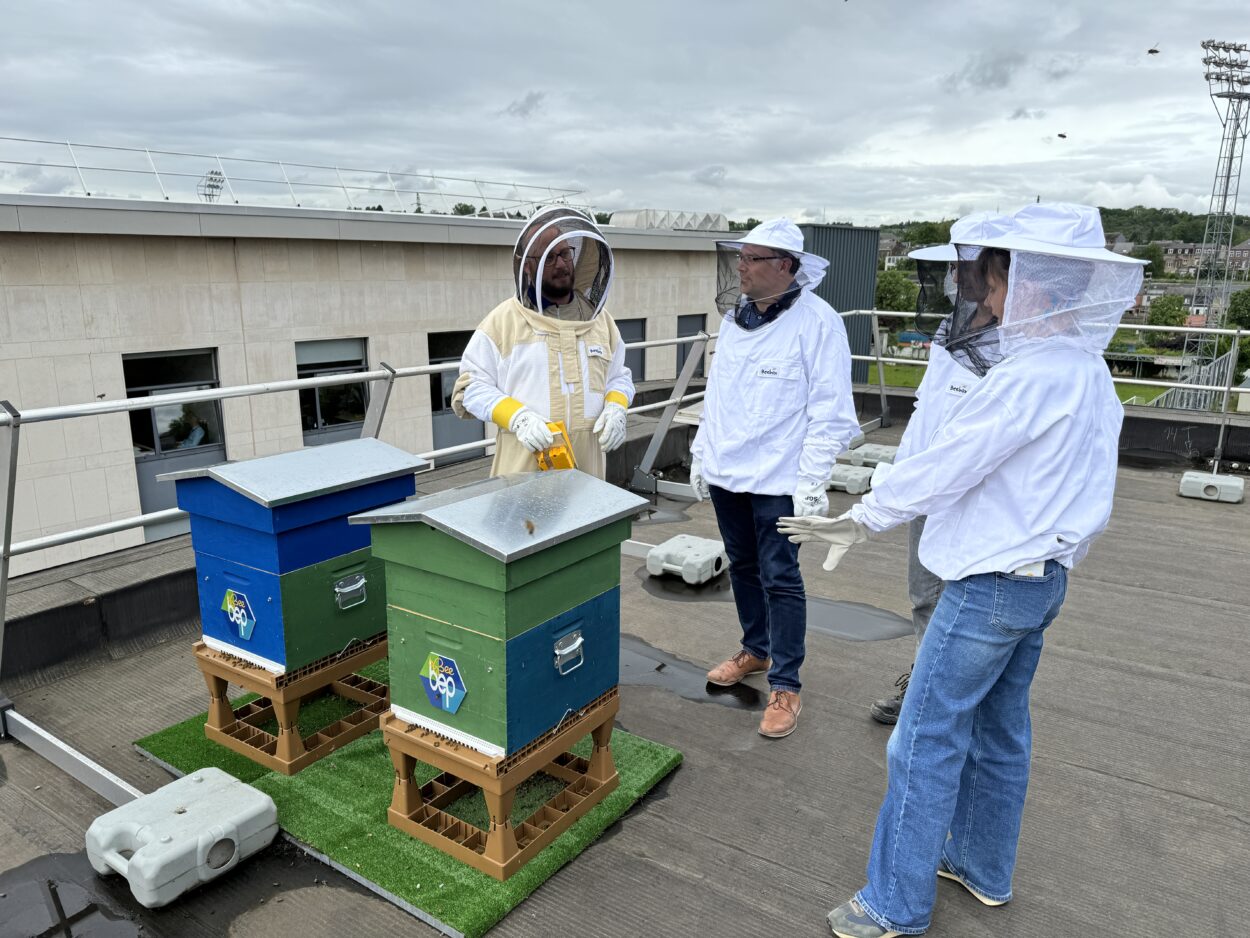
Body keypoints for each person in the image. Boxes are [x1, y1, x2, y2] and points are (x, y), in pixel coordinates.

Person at [780, 203, 1145, 937]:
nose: (987, 298)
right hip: (1042, 581)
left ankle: (894, 904)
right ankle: (981, 865)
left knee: (922, 740)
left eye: (996, 282)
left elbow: (953, 460)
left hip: (991, 587)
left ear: (1032, 285)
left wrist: (865, 515)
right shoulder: (1087, 369)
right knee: (1001, 731)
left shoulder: (1030, 375)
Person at [690, 218, 859, 739]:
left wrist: (813, 480)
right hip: (728, 472)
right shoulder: (735, 320)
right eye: (739, 258)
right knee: (742, 565)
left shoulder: (819, 323)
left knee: (781, 578)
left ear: (785, 265)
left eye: (751, 259)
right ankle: (755, 650)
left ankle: (786, 684)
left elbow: (831, 410)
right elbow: (718, 395)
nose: (740, 267)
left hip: (781, 479)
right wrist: (701, 453)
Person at [869, 212, 1013, 725]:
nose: (954, 277)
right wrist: (900, 472)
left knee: (967, 607)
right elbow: (926, 409)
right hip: (926, 488)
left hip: (976, 497)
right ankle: (925, 683)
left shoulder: (1017, 345)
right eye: (951, 268)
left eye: (962, 267)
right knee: (924, 595)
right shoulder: (949, 329)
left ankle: (947, 699)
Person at [452, 207, 633, 479]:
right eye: (549, 257)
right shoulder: (502, 322)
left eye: (564, 253)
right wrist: (518, 418)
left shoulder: (602, 323)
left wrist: (617, 406)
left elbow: (618, 377)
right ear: (527, 265)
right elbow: (470, 388)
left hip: (588, 474)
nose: (561, 264)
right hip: (522, 472)